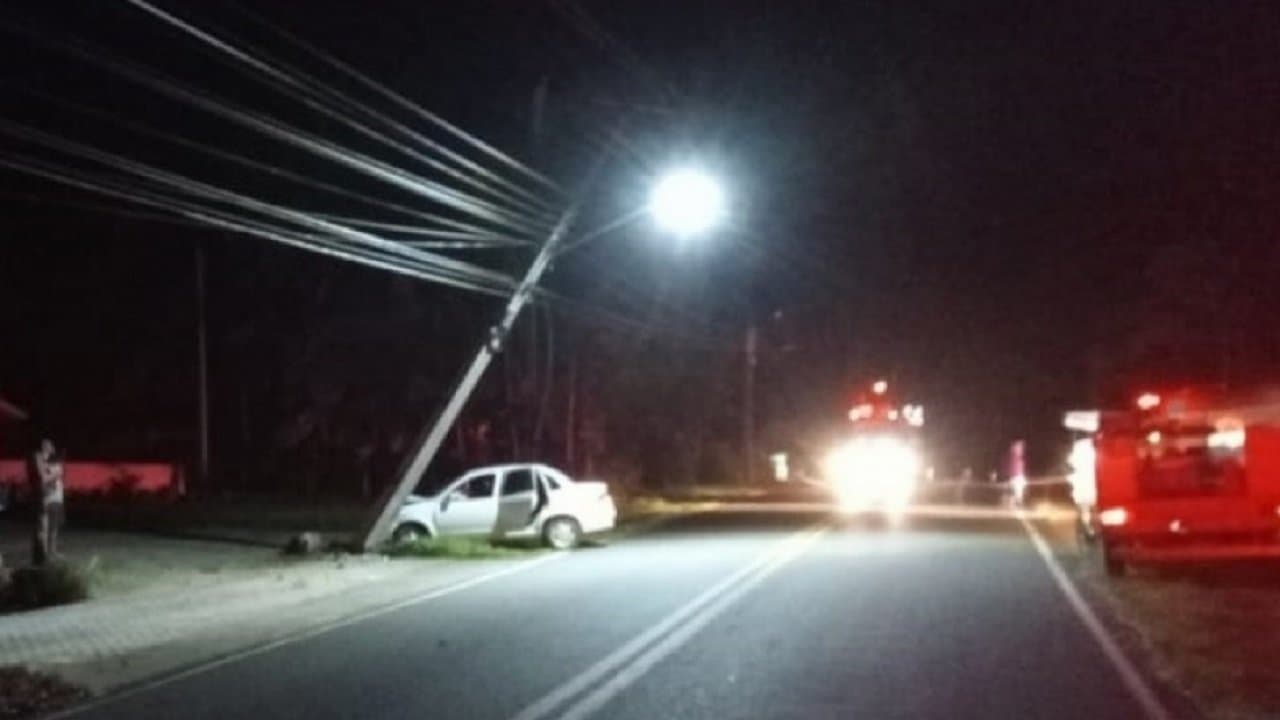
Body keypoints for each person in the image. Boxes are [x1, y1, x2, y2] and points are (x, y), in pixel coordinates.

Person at [28, 437, 65, 565]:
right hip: (45, 496)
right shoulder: (38, 457)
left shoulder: (53, 459)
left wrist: (57, 472)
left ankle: (52, 550)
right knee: (44, 525)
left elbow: (59, 472)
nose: (49, 447)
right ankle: (43, 552)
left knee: (54, 525)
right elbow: (43, 478)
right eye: (47, 445)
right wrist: (55, 474)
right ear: (43, 446)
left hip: (56, 496)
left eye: (50, 444)